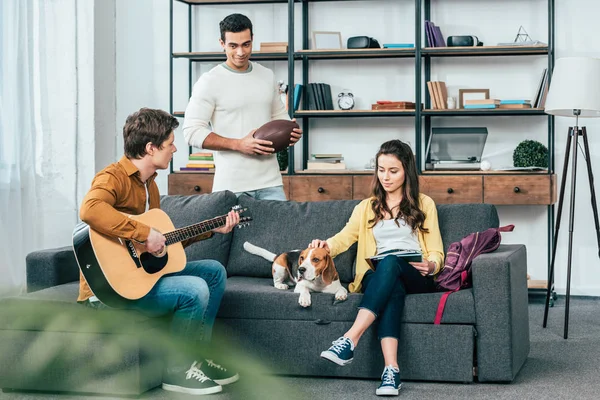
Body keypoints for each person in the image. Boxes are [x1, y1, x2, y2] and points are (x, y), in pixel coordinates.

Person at [77, 108, 240, 396]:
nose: (175, 148)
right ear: (151, 148)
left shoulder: (150, 185)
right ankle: (178, 370)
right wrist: (142, 234)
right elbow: (90, 210)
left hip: (138, 278)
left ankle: (196, 358)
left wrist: (212, 229)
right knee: (194, 289)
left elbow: (160, 244)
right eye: (170, 143)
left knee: (214, 272)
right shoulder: (113, 177)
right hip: (107, 290)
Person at [310, 140, 444, 396]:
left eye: (393, 171)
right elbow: (344, 237)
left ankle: (350, 339)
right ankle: (391, 371)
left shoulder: (424, 204)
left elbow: (437, 250)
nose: (386, 177)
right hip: (380, 276)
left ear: (407, 171)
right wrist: (325, 245)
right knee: (389, 283)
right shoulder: (366, 207)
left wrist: (432, 264)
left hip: (415, 274)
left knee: (392, 261)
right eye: (381, 170)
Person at [182, 13, 302, 201]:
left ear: (252, 39)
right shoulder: (209, 81)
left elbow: (280, 117)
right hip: (231, 186)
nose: (240, 52)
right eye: (233, 46)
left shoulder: (266, 75)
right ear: (222, 43)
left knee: (281, 230)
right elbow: (191, 132)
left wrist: (290, 133)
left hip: (271, 184)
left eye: (246, 44)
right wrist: (239, 144)